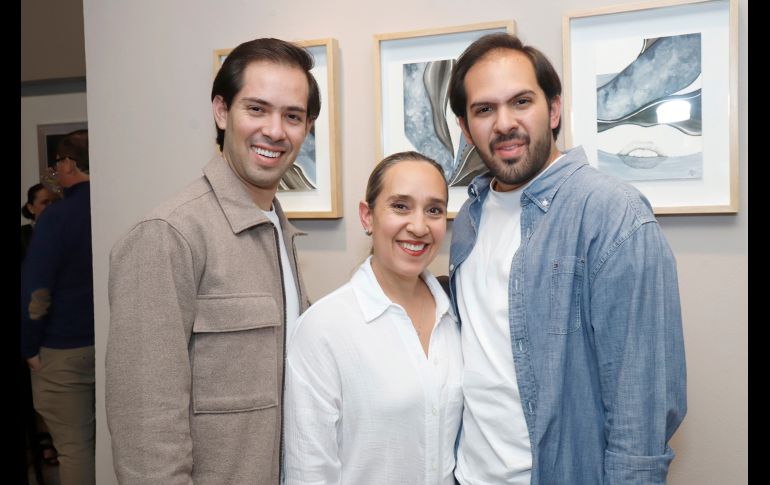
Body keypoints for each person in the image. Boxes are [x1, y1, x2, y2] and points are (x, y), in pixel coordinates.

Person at [446, 33, 686, 484]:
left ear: (553, 110)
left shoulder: (613, 214)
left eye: (521, 102)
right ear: (465, 128)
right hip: (468, 475)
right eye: (484, 109)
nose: (504, 124)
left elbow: (644, 407)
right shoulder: (469, 217)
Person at [106, 37, 319, 485]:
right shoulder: (168, 235)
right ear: (222, 112)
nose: (275, 131)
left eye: (292, 116)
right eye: (257, 109)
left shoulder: (277, 229)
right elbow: (146, 430)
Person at [283, 151, 462, 485]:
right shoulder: (323, 330)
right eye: (400, 206)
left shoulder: (456, 317)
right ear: (367, 216)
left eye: (434, 210)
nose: (419, 226)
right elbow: (308, 472)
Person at [21, 129, 95, 485]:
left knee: (76, 449)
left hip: (63, 348)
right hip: (110, 343)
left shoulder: (56, 217)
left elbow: (37, 292)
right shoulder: (117, 203)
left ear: (68, 164)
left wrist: (29, 346)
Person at [21, 183, 55, 262]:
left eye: (54, 202)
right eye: (45, 202)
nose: (52, 207)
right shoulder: (23, 236)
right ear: (31, 208)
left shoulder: (67, 232)